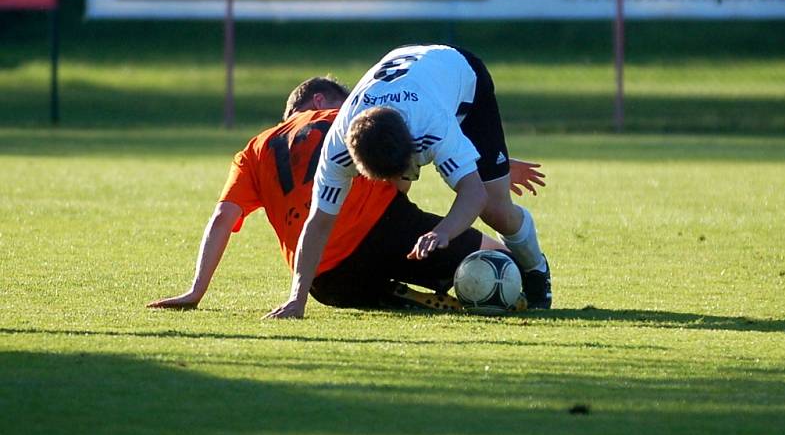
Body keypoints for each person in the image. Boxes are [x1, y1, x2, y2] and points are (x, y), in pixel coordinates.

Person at [148, 76, 545, 313]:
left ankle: (400, 294)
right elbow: (409, 144)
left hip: (325, 279)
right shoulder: (351, 119)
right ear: (319, 101)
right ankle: (482, 282)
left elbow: (222, 218)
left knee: (366, 279)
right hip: (387, 231)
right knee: (504, 262)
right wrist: (497, 166)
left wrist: (196, 291)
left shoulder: (254, 148)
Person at [268, 45, 551, 320]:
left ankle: (537, 269)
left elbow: (475, 193)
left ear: (415, 147)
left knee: (496, 209)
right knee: (398, 190)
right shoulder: (337, 147)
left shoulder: (431, 124)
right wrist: (297, 298)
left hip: (459, 75)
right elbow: (318, 222)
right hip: (411, 78)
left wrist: (443, 232)